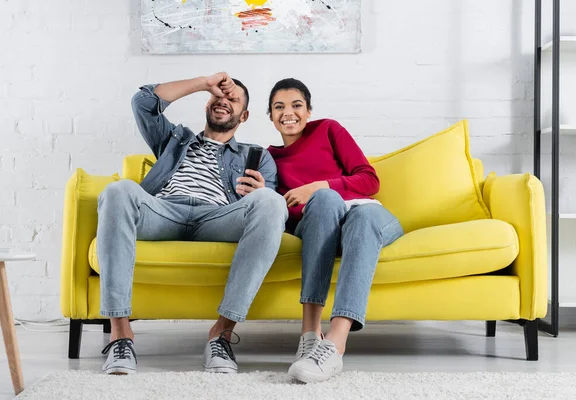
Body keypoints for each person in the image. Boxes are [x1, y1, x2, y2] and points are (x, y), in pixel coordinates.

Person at [97, 72, 288, 375]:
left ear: (245, 114)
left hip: (218, 218)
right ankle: (121, 336)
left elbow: (270, 209)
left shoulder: (257, 156)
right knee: (117, 189)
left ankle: (221, 335)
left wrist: (260, 193)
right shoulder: (174, 139)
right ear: (207, 103)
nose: (224, 101)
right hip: (163, 211)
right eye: (218, 96)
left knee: (271, 202)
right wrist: (203, 83)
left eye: (233, 99)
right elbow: (143, 102)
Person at [266, 78, 404, 383]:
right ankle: (310, 336)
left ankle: (335, 344)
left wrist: (320, 186)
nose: (288, 112)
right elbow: (279, 213)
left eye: (296, 105)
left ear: (309, 110)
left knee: (356, 212)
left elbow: (369, 180)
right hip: (319, 226)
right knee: (325, 201)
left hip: (364, 217)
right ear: (271, 117)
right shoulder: (269, 158)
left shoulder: (328, 129)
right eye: (279, 107)